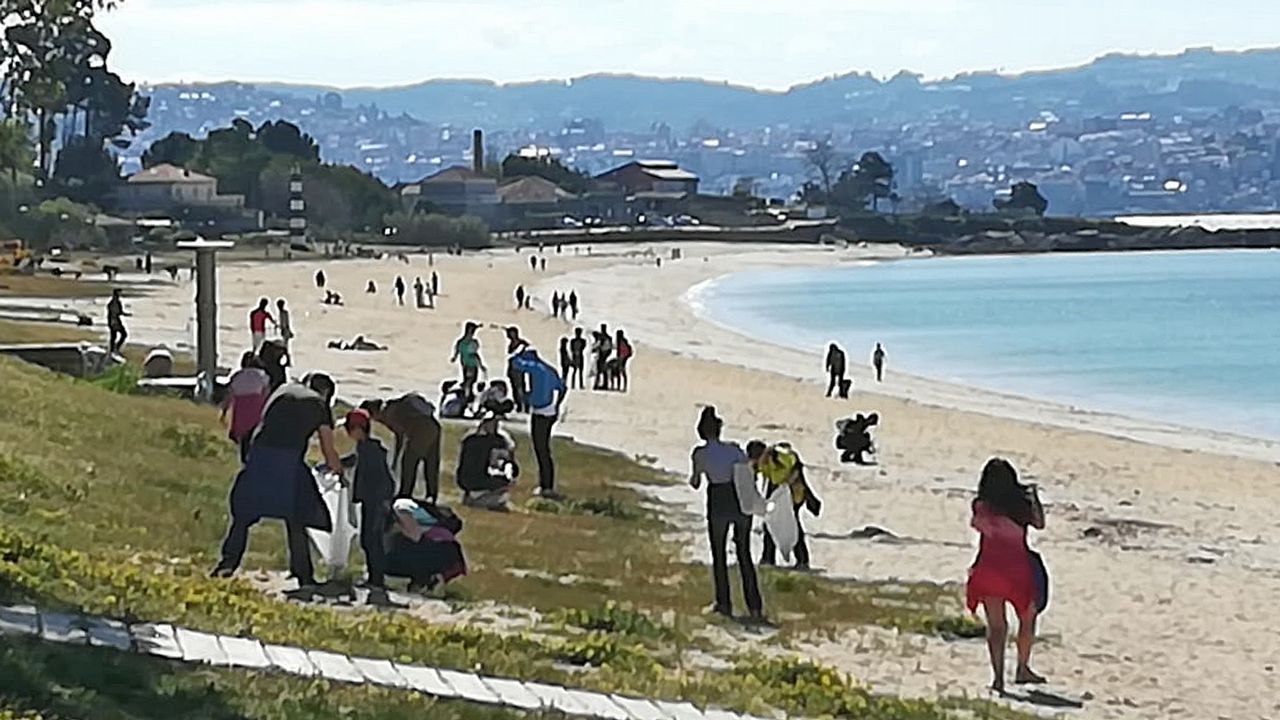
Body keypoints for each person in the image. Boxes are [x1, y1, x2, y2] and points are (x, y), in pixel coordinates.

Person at [212, 373, 341, 589]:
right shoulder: (319, 405)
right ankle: (304, 575)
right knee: (298, 515)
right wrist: (338, 470)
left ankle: (227, 564)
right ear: (326, 393)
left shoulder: (282, 390)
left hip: (259, 453)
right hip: (288, 459)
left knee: (244, 514)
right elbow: (329, 451)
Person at [967, 458, 1047, 694]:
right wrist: (1034, 497)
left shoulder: (981, 506)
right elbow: (1040, 524)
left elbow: (978, 525)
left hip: (988, 569)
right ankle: (1022, 668)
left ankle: (998, 679)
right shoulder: (1020, 506)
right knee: (1027, 617)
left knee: (997, 627)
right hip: (1016, 570)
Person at [690, 406, 764, 621]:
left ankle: (724, 603)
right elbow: (747, 473)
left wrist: (698, 474)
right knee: (744, 555)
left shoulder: (700, 453)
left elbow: (696, 482)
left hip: (718, 498)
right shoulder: (734, 450)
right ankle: (755, 606)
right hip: (738, 498)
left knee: (719, 554)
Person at [341, 408, 395, 595]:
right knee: (368, 539)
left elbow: (383, 478)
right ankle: (373, 576)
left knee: (373, 540)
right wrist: (338, 463)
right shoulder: (365, 447)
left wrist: (383, 501)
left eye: (349, 428)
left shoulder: (372, 450)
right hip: (370, 500)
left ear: (358, 429)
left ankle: (377, 579)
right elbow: (355, 460)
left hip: (376, 501)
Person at [748, 440, 820, 570]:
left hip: (793, 491)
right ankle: (768, 558)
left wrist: (789, 483)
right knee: (770, 524)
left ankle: (802, 559)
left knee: (792, 525)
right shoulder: (761, 462)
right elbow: (753, 474)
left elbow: (797, 467)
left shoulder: (780, 456)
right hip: (777, 491)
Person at [361, 394, 442, 501]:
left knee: (409, 461)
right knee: (431, 463)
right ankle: (431, 495)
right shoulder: (391, 408)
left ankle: (405, 494)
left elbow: (400, 435)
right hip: (433, 426)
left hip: (421, 430)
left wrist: (397, 457)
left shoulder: (387, 413)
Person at [511, 349, 566, 498]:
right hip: (550, 411)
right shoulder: (550, 369)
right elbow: (562, 388)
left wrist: (518, 352)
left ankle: (546, 486)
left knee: (541, 450)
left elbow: (515, 362)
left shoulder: (534, 367)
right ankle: (546, 484)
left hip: (539, 412)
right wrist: (558, 404)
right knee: (545, 450)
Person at [385, 498, 467, 592]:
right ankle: (423, 581)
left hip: (439, 550)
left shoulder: (398, 506)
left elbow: (415, 536)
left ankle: (425, 581)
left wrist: (398, 528)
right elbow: (415, 535)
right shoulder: (403, 506)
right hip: (435, 549)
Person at [456, 414, 519, 509]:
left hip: (465, 481)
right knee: (505, 480)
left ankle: (475, 496)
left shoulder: (468, 439)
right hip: (478, 479)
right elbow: (507, 467)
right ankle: (484, 499)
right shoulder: (498, 442)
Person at [221, 351, 271, 463]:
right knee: (255, 439)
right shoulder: (262, 375)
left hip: (241, 412)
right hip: (256, 411)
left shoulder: (237, 376)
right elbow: (267, 394)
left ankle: (244, 463)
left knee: (243, 440)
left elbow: (229, 396)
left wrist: (224, 412)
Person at [451, 322, 486, 400]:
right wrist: (481, 365)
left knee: (467, 380)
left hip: (464, 363)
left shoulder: (460, 341)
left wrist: (454, 357)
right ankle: (467, 395)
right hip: (472, 364)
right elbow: (475, 355)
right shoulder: (473, 342)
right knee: (471, 381)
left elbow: (457, 351)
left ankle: (466, 394)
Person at [505, 326, 531, 413]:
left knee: (520, 388)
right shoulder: (512, 344)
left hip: (519, 369)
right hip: (513, 369)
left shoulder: (521, 344)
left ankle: (525, 405)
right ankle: (520, 405)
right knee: (515, 388)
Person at [106, 288, 129, 355]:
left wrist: (126, 314)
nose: (120, 294)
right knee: (123, 334)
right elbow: (113, 312)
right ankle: (115, 348)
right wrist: (113, 322)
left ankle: (113, 349)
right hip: (114, 321)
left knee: (114, 336)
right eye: (119, 293)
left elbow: (119, 312)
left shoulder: (116, 302)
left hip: (114, 320)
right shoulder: (114, 302)